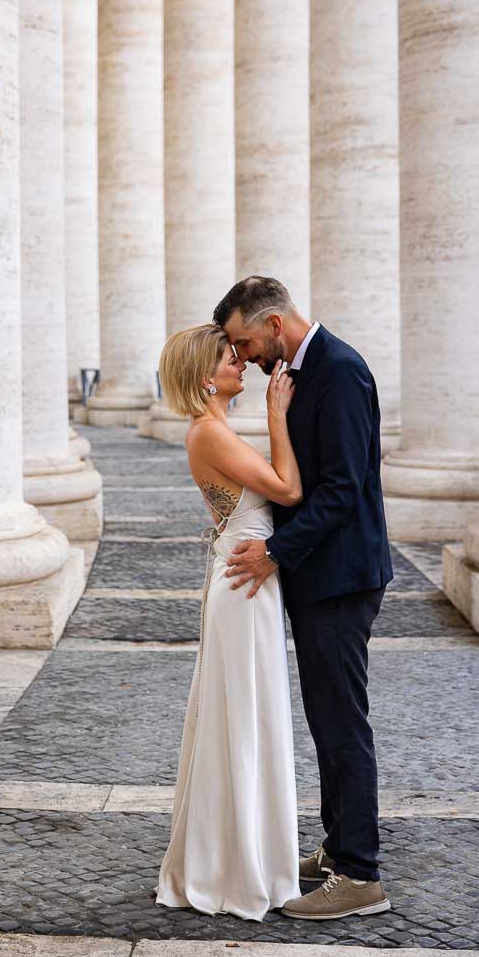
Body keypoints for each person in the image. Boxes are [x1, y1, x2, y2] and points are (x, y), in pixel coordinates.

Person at [214, 276, 393, 920]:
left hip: (342, 577)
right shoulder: (300, 373)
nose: (245, 356)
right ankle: (339, 845)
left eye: (245, 341)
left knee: (342, 720)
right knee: (326, 717)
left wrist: (274, 553)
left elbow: (344, 488)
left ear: (275, 324)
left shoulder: (340, 372)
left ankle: (361, 874)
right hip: (322, 576)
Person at [154, 323, 303, 920]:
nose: (240, 363)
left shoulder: (214, 430)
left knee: (248, 715)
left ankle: (247, 857)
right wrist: (277, 414)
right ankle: (238, 867)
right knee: (243, 717)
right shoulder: (209, 433)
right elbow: (288, 490)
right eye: (228, 358)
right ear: (202, 375)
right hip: (244, 588)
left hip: (247, 581)